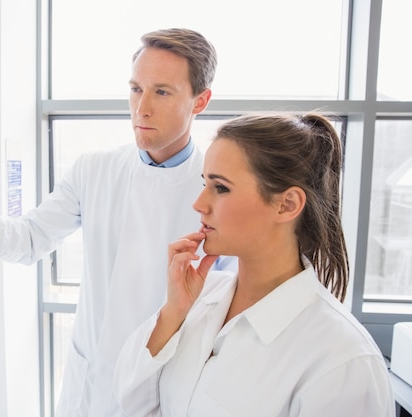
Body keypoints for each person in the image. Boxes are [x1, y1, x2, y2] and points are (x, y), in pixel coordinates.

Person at [0, 28, 236, 417]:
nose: (141, 108)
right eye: (136, 89)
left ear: (200, 101)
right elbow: (30, 239)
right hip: (87, 386)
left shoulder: (218, 192)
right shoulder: (94, 169)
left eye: (162, 92)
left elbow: (225, 317)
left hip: (162, 394)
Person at [113, 112, 396, 416]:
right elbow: (131, 403)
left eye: (220, 188)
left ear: (286, 205)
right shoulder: (201, 297)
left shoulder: (343, 360)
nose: (199, 204)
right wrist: (173, 313)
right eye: (205, 183)